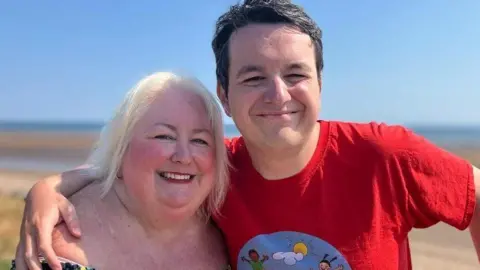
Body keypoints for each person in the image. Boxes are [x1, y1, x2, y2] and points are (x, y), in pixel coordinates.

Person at [14, 0, 480, 269]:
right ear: (224, 93)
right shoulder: (215, 169)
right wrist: (46, 189)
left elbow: (474, 194)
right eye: (254, 77)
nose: (278, 95)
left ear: (320, 83)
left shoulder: (383, 155)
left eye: (295, 74)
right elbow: (116, 168)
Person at [11, 71, 231, 269]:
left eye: (200, 141)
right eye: (164, 136)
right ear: (122, 148)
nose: (183, 156)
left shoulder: (225, 229)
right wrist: (44, 189)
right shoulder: (62, 249)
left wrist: (44, 187)